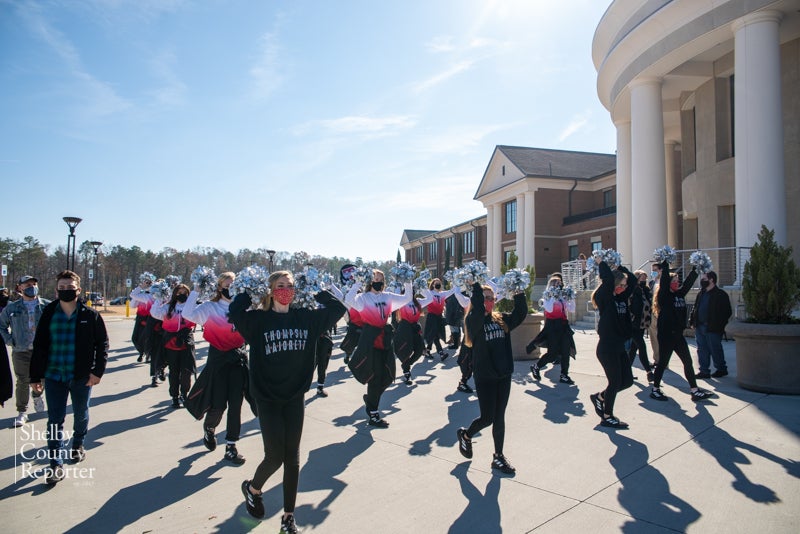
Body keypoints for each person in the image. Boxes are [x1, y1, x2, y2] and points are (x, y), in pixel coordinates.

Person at [229, 271, 345, 531]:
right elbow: (234, 311)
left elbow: (338, 308)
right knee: (274, 457)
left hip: (294, 397)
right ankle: (253, 488)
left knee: (292, 458)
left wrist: (314, 289)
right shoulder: (257, 320)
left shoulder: (306, 318)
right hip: (267, 398)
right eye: (279, 286)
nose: (285, 290)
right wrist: (251, 292)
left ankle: (288, 517)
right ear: (270, 290)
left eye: (290, 286)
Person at [29, 270, 108, 486]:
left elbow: (101, 344)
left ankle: (78, 444)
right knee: (55, 419)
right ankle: (55, 463)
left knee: (81, 414)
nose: (66, 291)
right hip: (54, 375)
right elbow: (39, 345)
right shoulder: (48, 314)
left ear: (78, 290)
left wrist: (97, 372)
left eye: (70, 287)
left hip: (81, 376)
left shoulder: (90, 315)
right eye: (62, 288)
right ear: (56, 290)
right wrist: (35, 376)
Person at [456, 281, 527, 474]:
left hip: (503, 375)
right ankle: (466, 434)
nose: (490, 301)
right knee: (487, 418)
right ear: (478, 300)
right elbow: (477, 313)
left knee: (499, 417)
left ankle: (498, 456)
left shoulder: (500, 320)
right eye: (486, 298)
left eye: (492, 298)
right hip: (485, 376)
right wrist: (477, 291)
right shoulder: (473, 321)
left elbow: (520, 315)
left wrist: (519, 292)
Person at [182, 272, 248, 464]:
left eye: (234, 285)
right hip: (218, 361)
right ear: (219, 288)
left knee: (236, 404)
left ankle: (231, 446)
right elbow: (188, 314)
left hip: (238, 360)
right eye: (227, 285)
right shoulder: (210, 307)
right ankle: (210, 429)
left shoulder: (244, 307)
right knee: (218, 405)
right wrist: (195, 291)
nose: (230, 289)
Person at [345, 270, 412, 427]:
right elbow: (349, 299)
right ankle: (373, 413)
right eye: (376, 279)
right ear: (370, 281)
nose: (379, 282)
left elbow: (407, 298)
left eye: (381, 279)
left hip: (385, 339)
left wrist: (408, 281)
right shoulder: (363, 298)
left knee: (388, 377)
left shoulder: (387, 296)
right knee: (375, 377)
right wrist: (357, 283)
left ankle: (370, 400)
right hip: (370, 341)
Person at [650, 261, 713, 401]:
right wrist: (665, 268)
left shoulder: (679, 294)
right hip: (666, 335)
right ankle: (655, 389)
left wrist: (695, 269)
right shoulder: (664, 296)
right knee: (662, 363)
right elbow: (665, 282)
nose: (676, 283)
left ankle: (694, 390)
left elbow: (688, 283)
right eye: (674, 281)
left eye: (677, 280)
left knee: (687, 361)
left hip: (677, 335)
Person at [588, 261, 636, 428]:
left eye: (624, 285)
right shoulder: (605, 299)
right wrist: (602, 263)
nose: (624, 287)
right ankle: (607, 416)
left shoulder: (621, 297)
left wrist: (619, 267)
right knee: (615, 382)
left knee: (627, 381)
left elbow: (634, 282)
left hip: (619, 346)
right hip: (607, 348)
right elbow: (607, 280)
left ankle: (600, 397)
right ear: (614, 284)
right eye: (621, 284)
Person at [0, 275, 50, 427]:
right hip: (21, 350)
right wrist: (10, 340)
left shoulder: (47, 306)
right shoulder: (12, 308)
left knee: (43, 378)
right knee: (23, 380)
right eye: (27, 284)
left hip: (41, 351)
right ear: (20, 287)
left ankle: (37, 394)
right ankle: (22, 411)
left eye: (34, 284)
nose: (31, 286)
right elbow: (1, 326)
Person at [150, 284, 196, 408]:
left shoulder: (191, 307)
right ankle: (174, 396)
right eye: (179, 292)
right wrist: (159, 298)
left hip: (186, 342)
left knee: (187, 371)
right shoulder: (168, 307)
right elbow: (155, 313)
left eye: (185, 293)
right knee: (174, 372)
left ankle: (184, 393)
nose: (182, 295)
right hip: (171, 343)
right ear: (174, 294)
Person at [528, 276, 577, 384]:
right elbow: (549, 309)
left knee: (565, 351)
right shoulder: (547, 297)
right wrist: (552, 296)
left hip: (564, 326)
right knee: (552, 354)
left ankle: (564, 375)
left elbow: (572, 309)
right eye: (556, 283)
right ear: (551, 285)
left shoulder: (563, 297)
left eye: (559, 283)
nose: (558, 285)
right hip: (553, 328)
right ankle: (536, 366)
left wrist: (570, 298)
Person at [690, 270, 732, 378]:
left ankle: (721, 369)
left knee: (715, 349)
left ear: (711, 280)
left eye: (704, 279)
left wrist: (719, 325)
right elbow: (695, 308)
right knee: (702, 349)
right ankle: (704, 371)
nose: (702, 281)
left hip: (713, 328)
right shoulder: (701, 293)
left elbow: (726, 312)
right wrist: (692, 321)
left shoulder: (720, 295)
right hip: (700, 326)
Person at [393, 286, 432, 385]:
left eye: (412, 290)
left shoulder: (418, 301)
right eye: (408, 290)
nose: (410, 292)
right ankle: (407, 373)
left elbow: (430, 298)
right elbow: (394, 295)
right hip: (404, 328)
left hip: (414, 328)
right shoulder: (401, 301)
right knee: (405, 351)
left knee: (419, 350)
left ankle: (406, 365)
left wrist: (422, 286)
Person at [628, 270, 655, 382]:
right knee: (642, 347)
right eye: (641, 278)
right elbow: (630, 305)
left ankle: (626, 371)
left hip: (642, 323)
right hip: (633, 324)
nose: (644, 280)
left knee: (633, 349)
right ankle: (649, 372)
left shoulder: (646, 290)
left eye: (645, 278)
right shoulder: (633, 290)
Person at [423, 278, 455, 361]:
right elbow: (422, 290)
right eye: (436, 283)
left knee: (435, 334)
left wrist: (456, 281)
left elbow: (452, 291)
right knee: (435, 334)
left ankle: (427, 350)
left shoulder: (443, 294)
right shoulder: (429, 293)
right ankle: (441, 353)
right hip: (432, 317)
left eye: (439, 283)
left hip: (439, 317)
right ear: (432, 285)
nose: (437, 284)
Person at [129, 273, 155, 363]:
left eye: (149, 282)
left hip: (148, 318)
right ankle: (141, 352)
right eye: (146, 282)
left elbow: (133, 294)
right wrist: (141, 287)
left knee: (146, 338)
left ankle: (148, 355)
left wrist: (141, 289)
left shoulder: (150, 296)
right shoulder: (141, 295)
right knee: (134, 338)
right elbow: (132, 305)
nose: (147, 284)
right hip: (139, 318)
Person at [647, 262, 662, 365]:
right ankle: (657, 359)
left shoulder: (665, 282)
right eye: (652, 270)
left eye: (655, 270)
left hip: (661, 313)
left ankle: (663, 360)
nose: (653, 272)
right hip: (652, 312)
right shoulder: (652, 283)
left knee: (661, 337)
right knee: (653, 337)